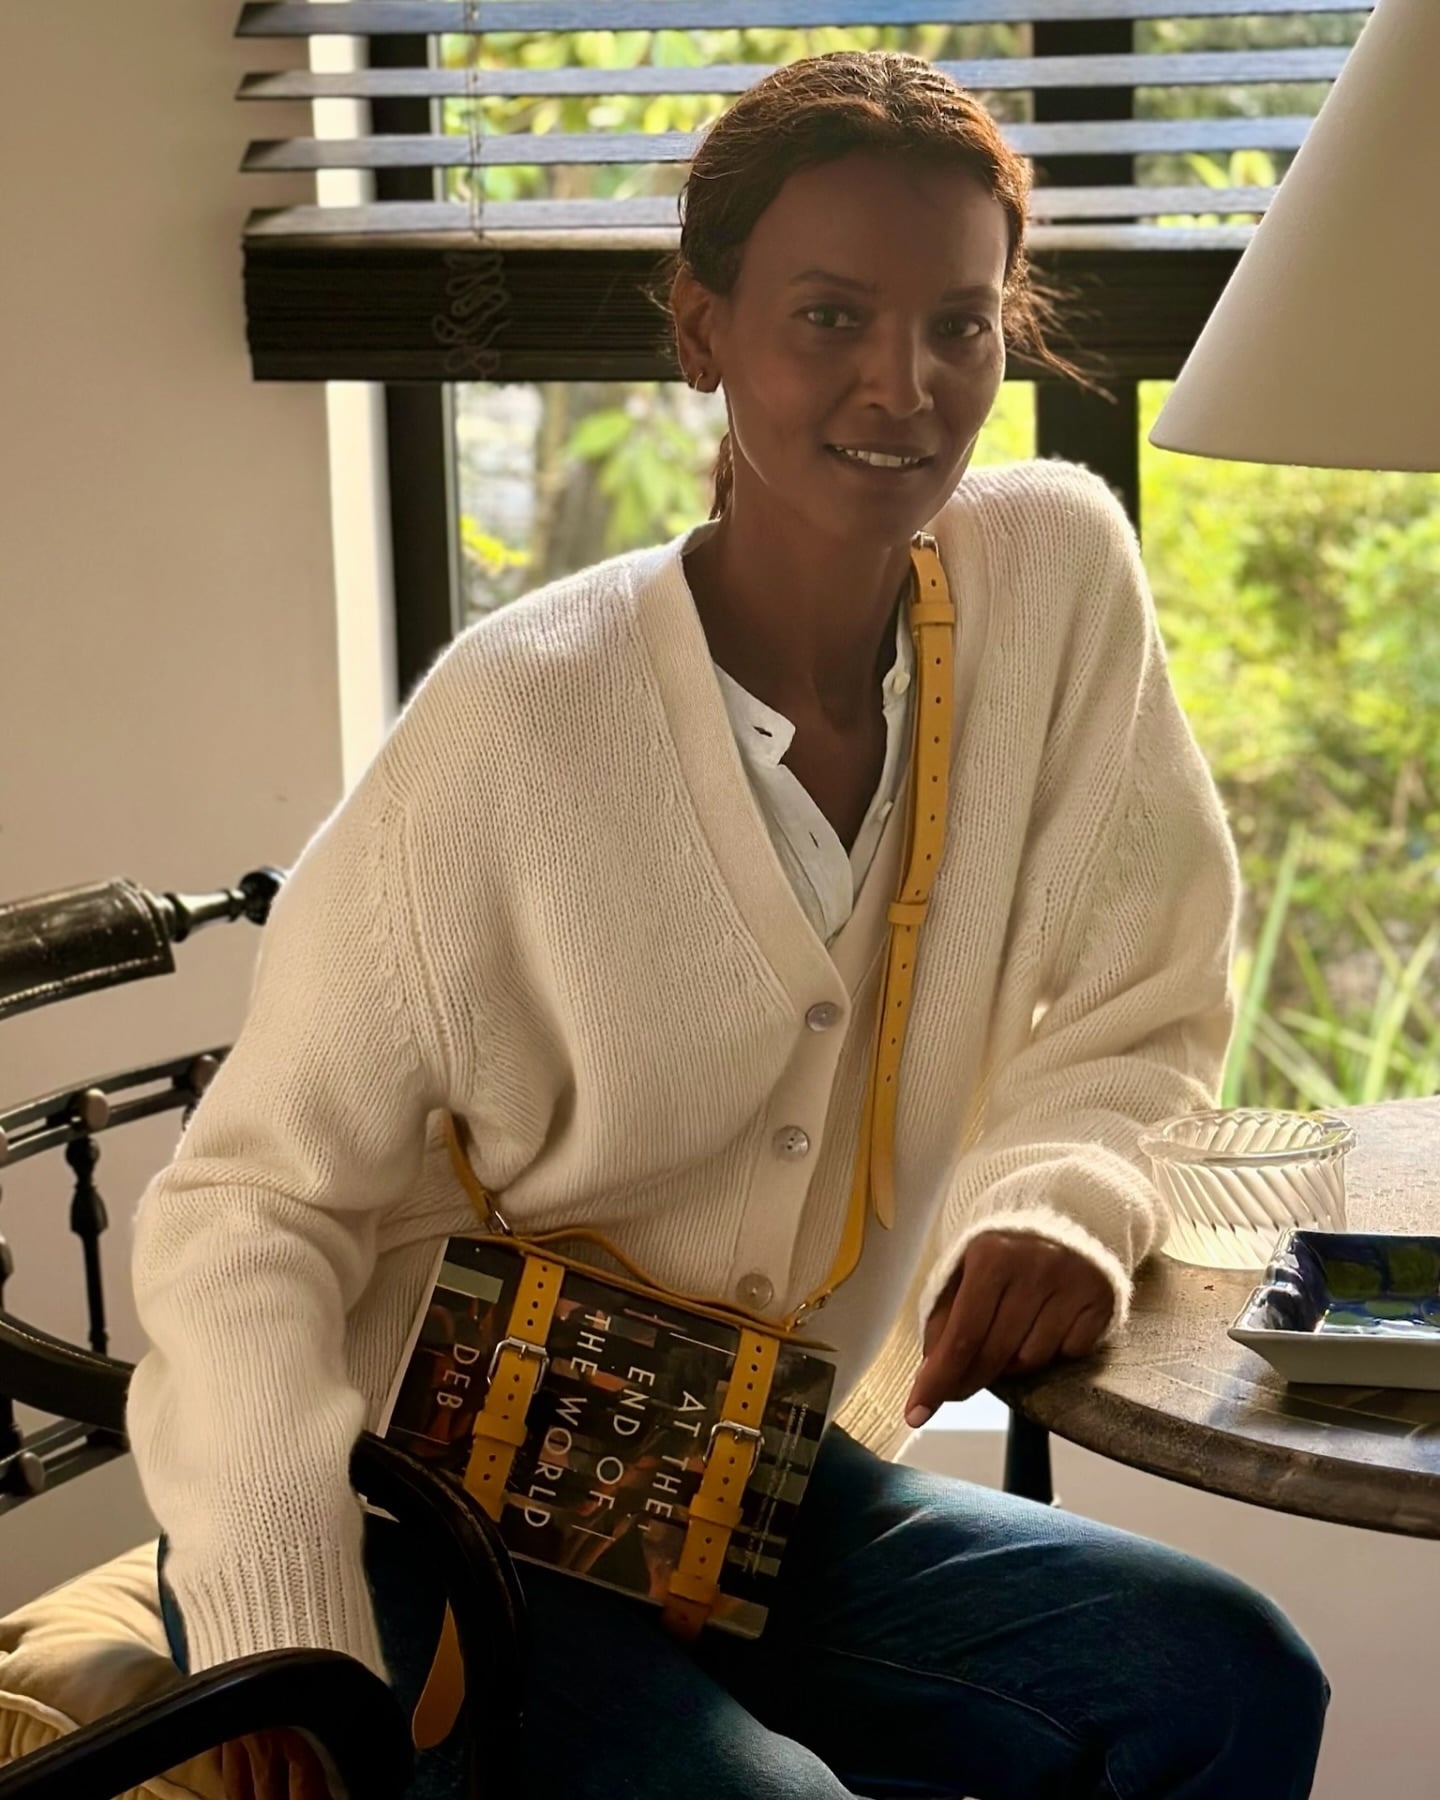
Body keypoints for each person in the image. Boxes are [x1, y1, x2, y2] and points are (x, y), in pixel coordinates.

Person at [130, 48, 1329, 1800]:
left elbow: (1136, 1009)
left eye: (960, 325)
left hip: (727, 1481)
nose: (906, 386)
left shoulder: (1053, 583)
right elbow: (247, 1208)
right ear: (702, 330)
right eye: (830, 317)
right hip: (409, 1506)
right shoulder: (519, 720)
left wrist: (1063, 1199)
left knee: (1222, 1680)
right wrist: (277, 1617)